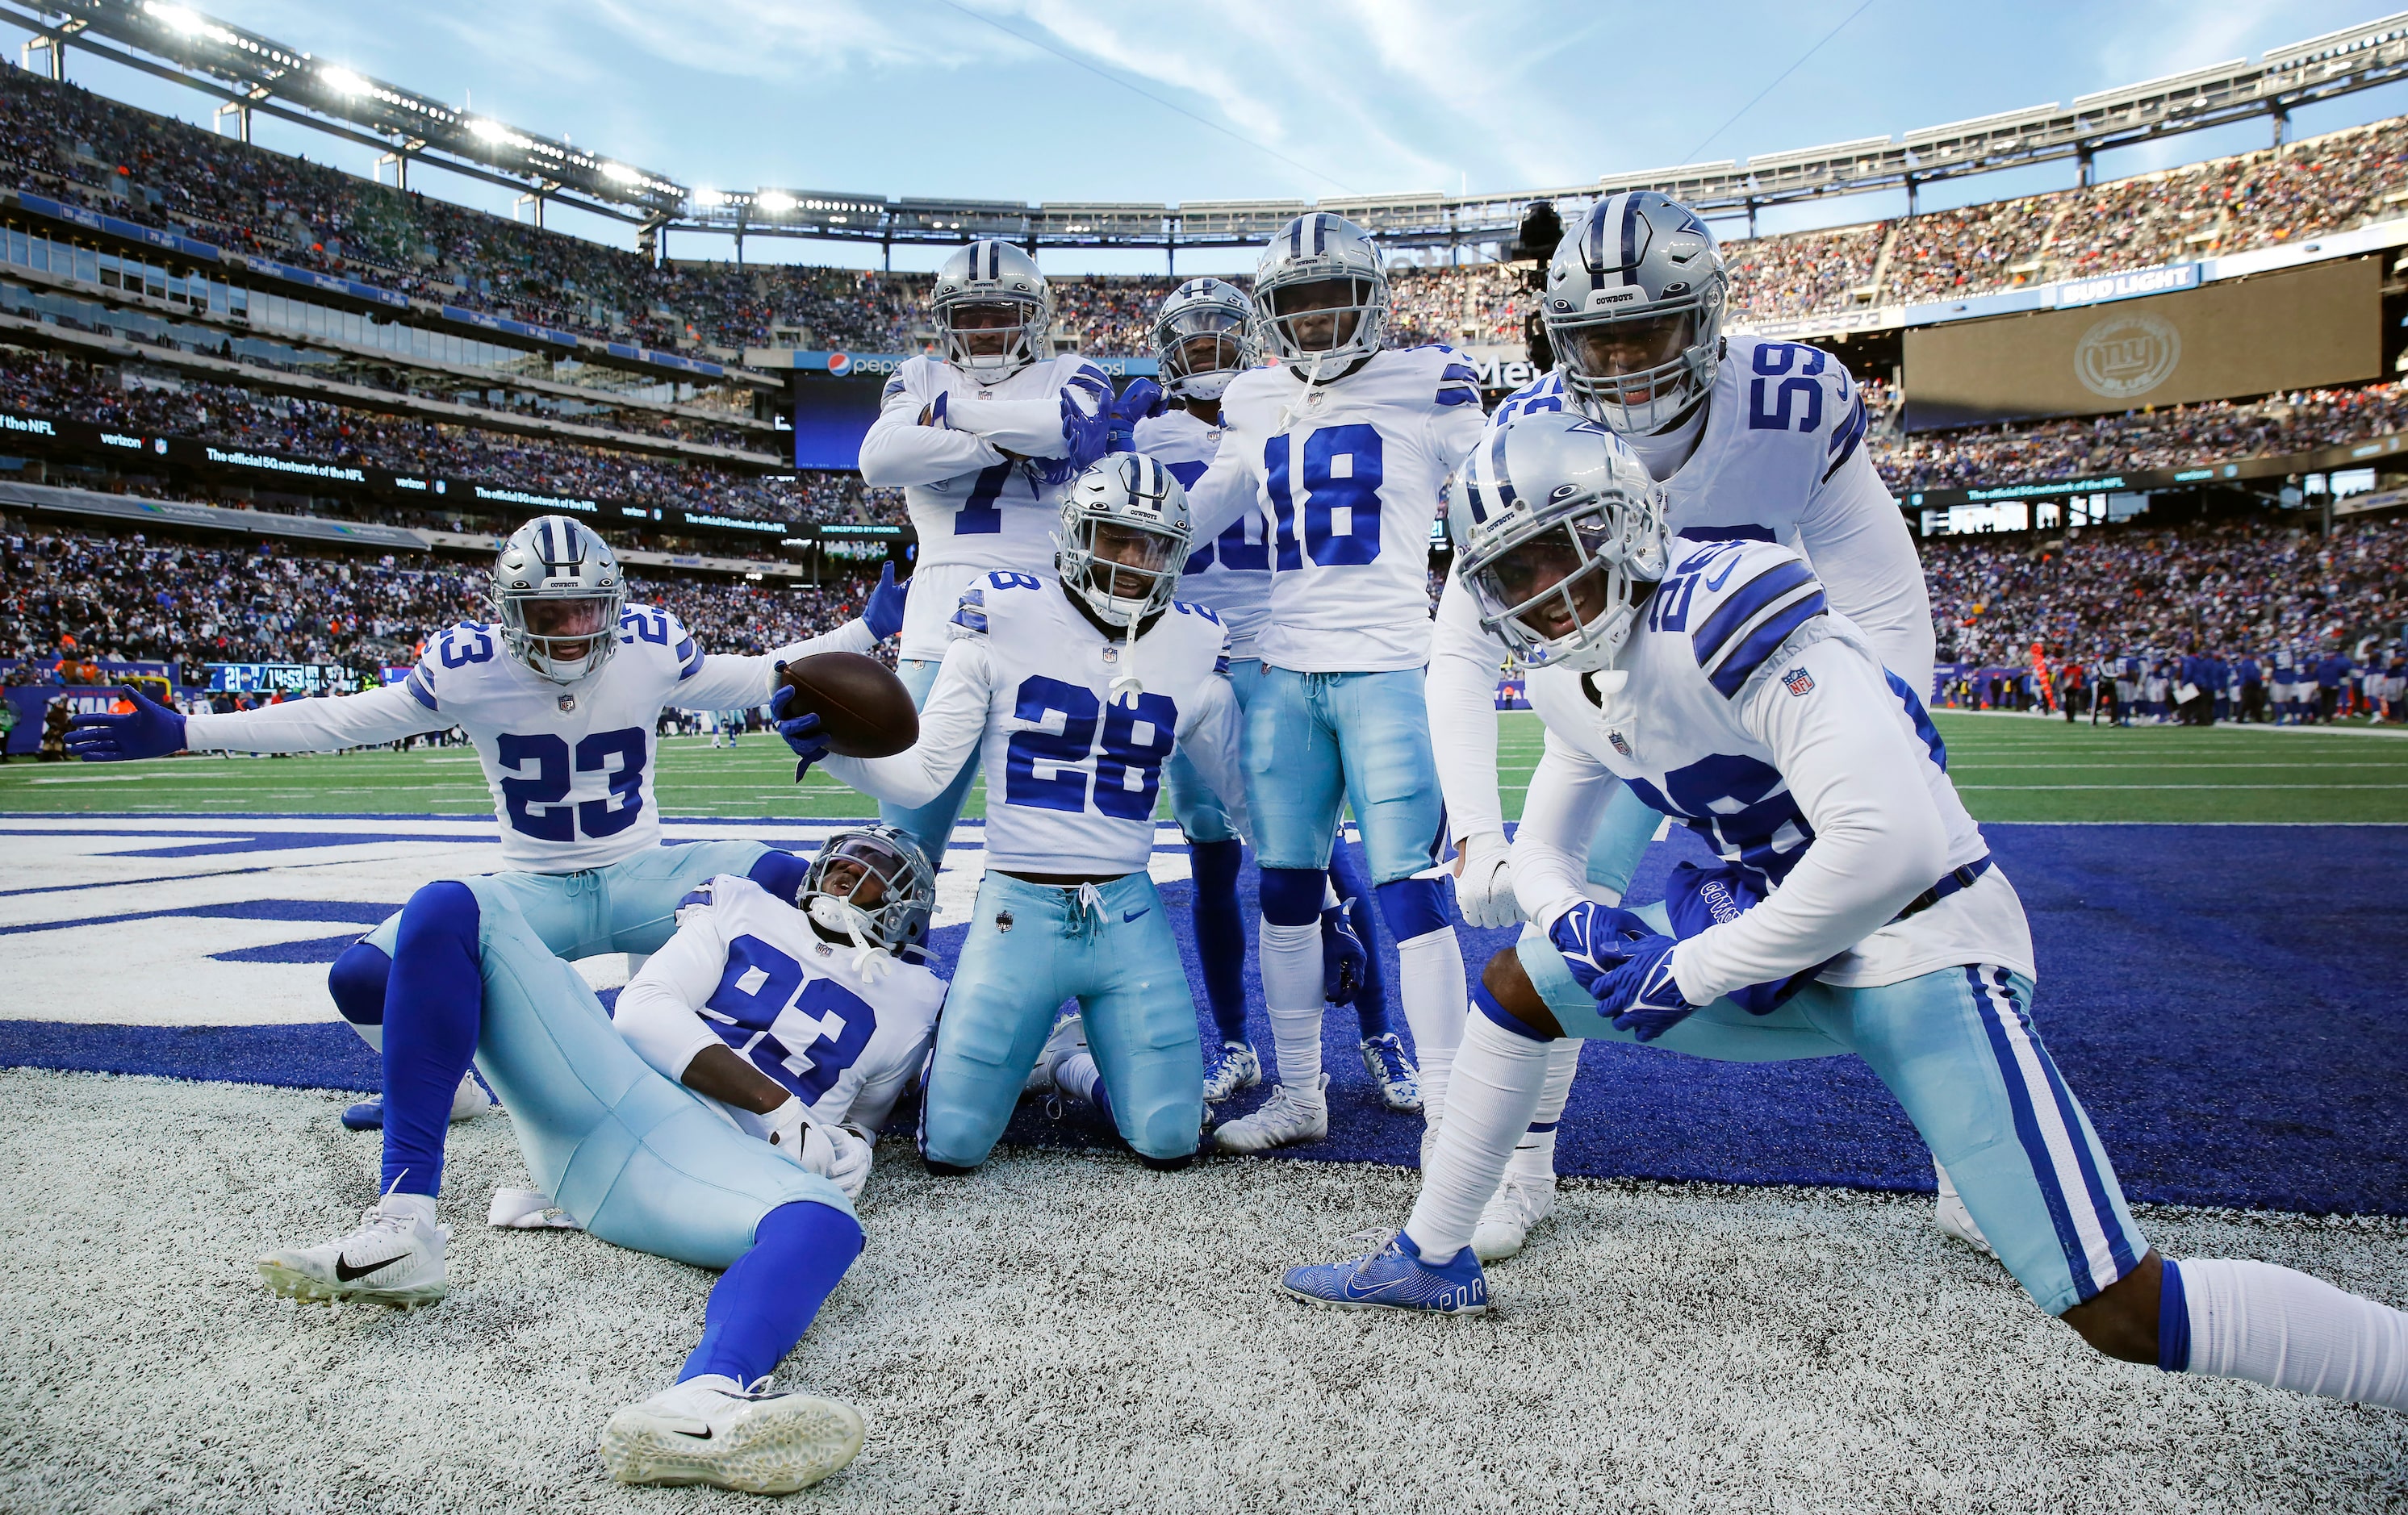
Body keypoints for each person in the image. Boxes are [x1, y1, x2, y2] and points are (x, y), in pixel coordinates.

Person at [1280, 410, 2408, 1425]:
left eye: (1557, 550)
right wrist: (1562, 912)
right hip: (1783, 939)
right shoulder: (1573, 679)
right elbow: (1542, 864)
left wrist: (1697, 966)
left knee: (2117, 1305)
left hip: (1921, 946)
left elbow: (1891, 846)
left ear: (1625, 521)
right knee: (1526, 981)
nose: (1541, 594)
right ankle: (1431, 1254)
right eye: (1509, 574)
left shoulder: (1729, 605)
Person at [1422, 191, 1957, 1262]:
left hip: (1763, 698)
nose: (1619, 360)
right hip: (1610, 713)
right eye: (1593, 338)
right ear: (1554, 337)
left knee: (1925, 896)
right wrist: (1478, 827)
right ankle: (1521, 1171)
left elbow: (1883, 592)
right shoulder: (1529, 431)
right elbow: (1468, 638)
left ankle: (1972, 1154)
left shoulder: (1796, 399)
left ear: (1705, 318)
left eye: (1647, 331)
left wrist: (1887, 731)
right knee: (1552, 904)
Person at [66, 515, 907, 1129]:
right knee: (359, 981)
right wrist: (188, 730)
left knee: (775, 880)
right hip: (528, 887)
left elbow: (768, 674)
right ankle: (457, 1090)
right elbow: (342, 720)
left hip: (641, 876)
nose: (573, 632)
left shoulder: (650, 649)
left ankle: (837, 1055)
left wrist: (868, 627)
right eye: (550, 614)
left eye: (586, 611)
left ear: (612, 603)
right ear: (511, 611)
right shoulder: (469, 669)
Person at [253, 827, 940, 1493]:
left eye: (875, 872)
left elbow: (859, 1118)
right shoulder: (740, 904)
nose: (850, 875)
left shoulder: (915, 1001)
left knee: (825, 1222)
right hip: (605, 1085)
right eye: (844, 862)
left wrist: (853, 1149)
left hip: (701, 1166)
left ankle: (703, 1400)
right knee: (456, 902)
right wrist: (776, 1106)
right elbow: (643, 1011)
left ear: (907, 912)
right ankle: (404, 1223)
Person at [814, 453, 1248, 1173]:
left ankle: (1075, 1068)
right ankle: (1049, 1060)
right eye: (1115, 538)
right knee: (952, 1146)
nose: (1133, 562)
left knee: (1173, 1137)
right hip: (1018, 909)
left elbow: (1243, 799)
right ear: (1077, 533)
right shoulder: (1005, 609)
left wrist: (1319, 903)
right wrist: (827, 747)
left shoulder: (1196, 642)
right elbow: (922, 776)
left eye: (1152, 546)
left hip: (1127, 912)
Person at [1181, 212, 1486, 1157]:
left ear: (1372, 299)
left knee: (1410, 895)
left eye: (1330, 297)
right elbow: (1209, 506)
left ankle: (1448, 1105)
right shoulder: (1250, 397)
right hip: (1279, 667)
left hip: (1389, 666)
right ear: (1270, 314)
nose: (1314, 320)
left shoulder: (1430, 380)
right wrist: (1124, 536)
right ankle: (1298, 1091)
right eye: (1295, 304)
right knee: (1281, 889)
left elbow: (1496, 481)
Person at [1128, 276, 1415, 1112]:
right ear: (1166, 349)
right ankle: (1233, 1043)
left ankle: (1378, 1033)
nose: (1210, 351)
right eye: (1195, 338)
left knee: (1326, 858)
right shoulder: (1142, 432)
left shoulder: (1282, 404)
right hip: (1189, 658)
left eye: (1225, 336)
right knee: (1210, 860)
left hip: (1281, 651)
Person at [856, 239, 1114, 871]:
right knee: (904, 855)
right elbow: (879, 459)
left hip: (1047, 635)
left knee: (1053, 855)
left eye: (1000, 310)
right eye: (968, 314)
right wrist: (1000, 446)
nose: (985, 327)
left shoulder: (1068, 372)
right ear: (945, 319)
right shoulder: (917, 372)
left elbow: (1068, 430)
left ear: (1035, 315)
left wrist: (951, 416)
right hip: (935, 635)